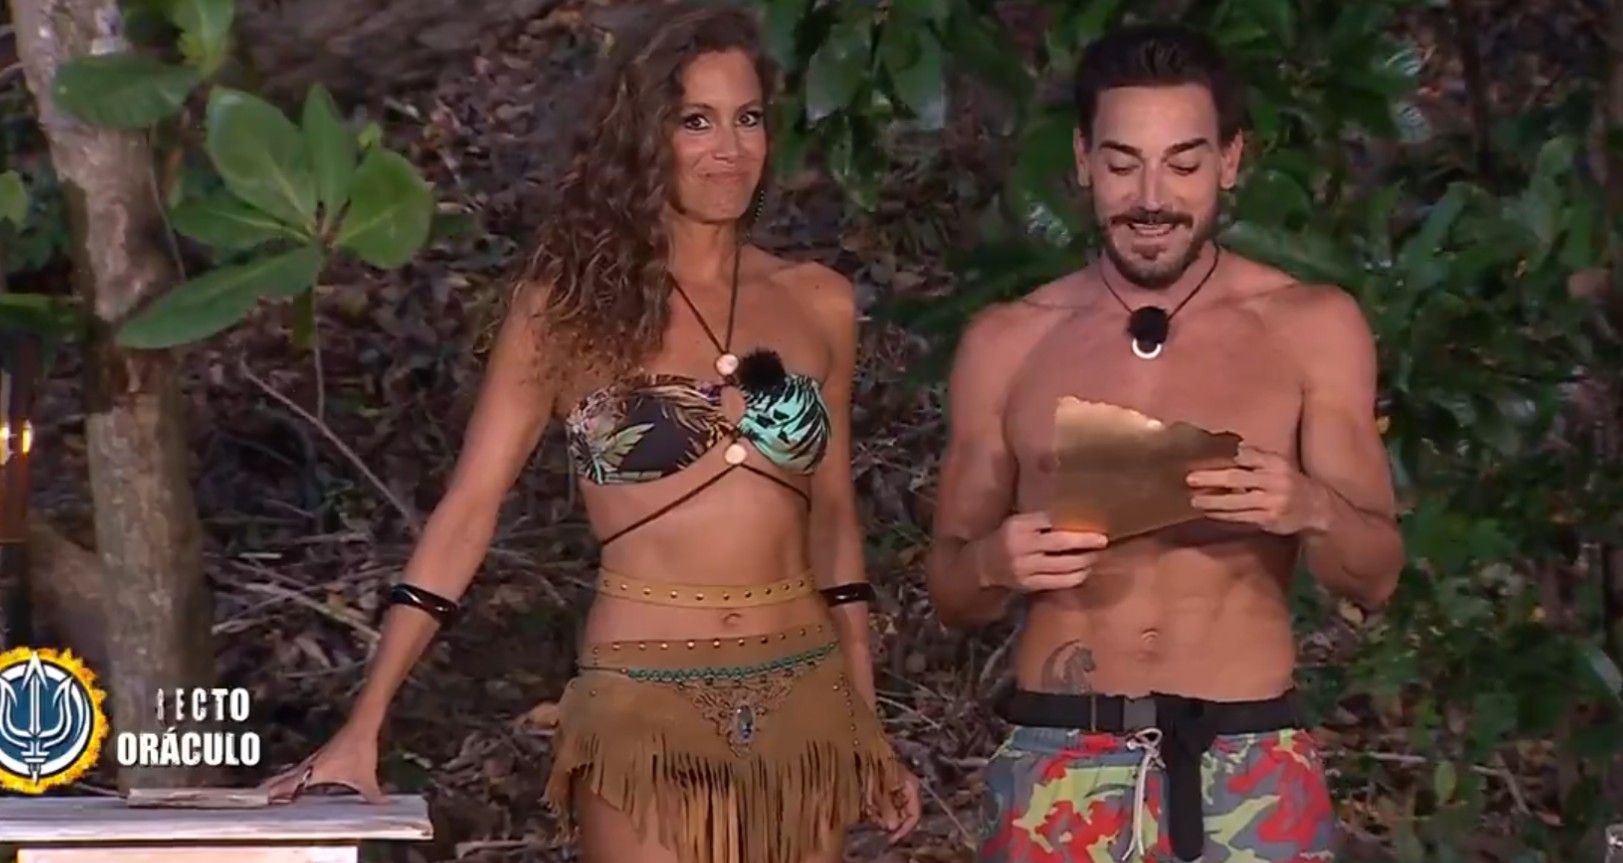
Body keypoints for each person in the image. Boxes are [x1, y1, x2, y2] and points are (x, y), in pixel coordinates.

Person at [259, 5, 922, 862]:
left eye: (748, 117)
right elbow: (468, 511)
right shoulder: (565, 310)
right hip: (643, 692)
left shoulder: (818, 300)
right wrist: (365, 722)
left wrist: (863, 715)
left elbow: (832, 517)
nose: (729, 148)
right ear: (641, 136)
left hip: (799, 687)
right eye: (695, 121)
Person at [925, 23, 1404, 863]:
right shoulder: (1008, 341)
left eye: (1182, 164)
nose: (1151, 198)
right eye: (1122, 164)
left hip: (1247, 757)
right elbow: (950, 592)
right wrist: (996, 562)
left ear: (1230, 160)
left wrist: (1311, 507)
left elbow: (1375, 574)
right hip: (1059, 759)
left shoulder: (1310, 327)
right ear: (1082, 160)